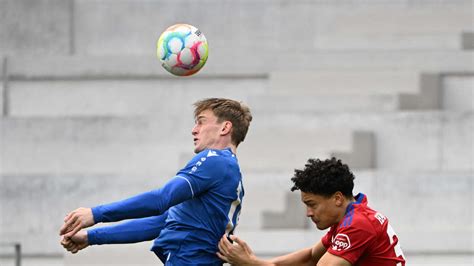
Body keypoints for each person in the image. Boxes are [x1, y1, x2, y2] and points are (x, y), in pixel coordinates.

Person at [59, 98, 252, 265]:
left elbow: (162, 198)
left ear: (225, 127)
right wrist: (90, 237)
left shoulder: (215, 160)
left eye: (201, 122)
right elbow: (162, 222)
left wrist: (95, 214)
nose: (194, 130)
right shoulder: (226, 169)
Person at [217, 158, 406, 266]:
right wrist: (257, 262)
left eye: (312, 204)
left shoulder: (357, 224)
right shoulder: (351, 216)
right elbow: (310, 258)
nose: (308, 213)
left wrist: (251, 264)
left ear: (337, 199)